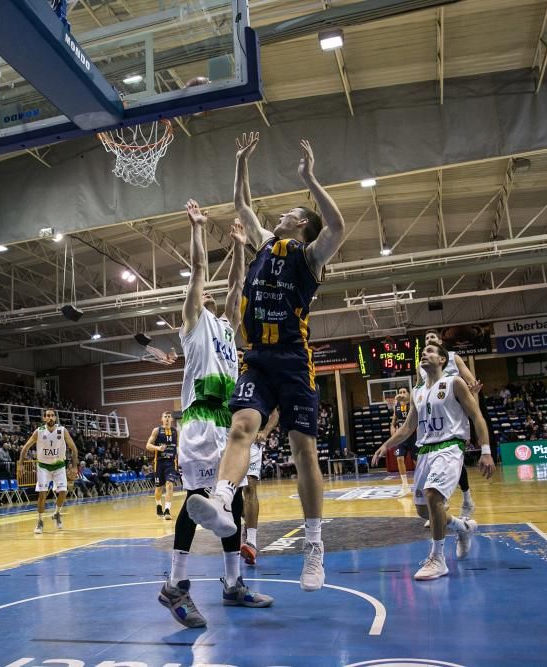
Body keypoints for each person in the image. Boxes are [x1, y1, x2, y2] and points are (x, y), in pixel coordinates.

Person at [185, 133, 346, 593]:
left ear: (300, 225)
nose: (279, 216)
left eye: (289, 214)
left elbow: (336, 225)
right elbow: (242, 203)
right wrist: (240, 163)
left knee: (302, 451)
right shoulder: (260, 245)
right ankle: (220, 499)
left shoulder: (310, 257)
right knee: (241, 427)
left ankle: (314, 546)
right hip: (257, 360)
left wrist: (310, 179)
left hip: (294, 362)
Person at [159, 212, 271, 629]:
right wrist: (196, 228)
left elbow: (236, 285)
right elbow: (201, 272)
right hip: (200, 421)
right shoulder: (193, 322)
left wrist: (241, 246)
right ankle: (176, 585)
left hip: (227, 422)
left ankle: (232, 584)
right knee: (197, 501)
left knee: (234, 501)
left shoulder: (227, 327)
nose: (206, 295)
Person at [372, 342, 496, 580]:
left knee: (433, 495)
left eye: (430, 351)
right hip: (425, 450)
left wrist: (486, 450)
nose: (424, 355)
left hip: (449, 446)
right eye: (422, 353)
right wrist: (386, 445)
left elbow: (477, 416)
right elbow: (408, 427)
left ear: (442, 360)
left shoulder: (454, 383)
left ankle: (438, 559)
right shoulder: (417, 391)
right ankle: (463, 528)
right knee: (424, 511)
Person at [420, 330, 479, 522]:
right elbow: (421, 391)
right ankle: (438, 503)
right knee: (431, 456)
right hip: (433, 417)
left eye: (433, 338)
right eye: (427, 339)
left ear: (441, 341)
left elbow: (471, 382)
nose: (429, 340)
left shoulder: (453, 358)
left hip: (455, 411)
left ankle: (466, 497)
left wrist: (472, 391)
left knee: (452, 452)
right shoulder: (422, 366)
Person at [18, 409, 79, 533]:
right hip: (43, 467)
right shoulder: (39, 432)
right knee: (42, 494)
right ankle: (40, 521)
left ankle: (56, 513)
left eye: (52, 415)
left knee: (63, 492)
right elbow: (25, 447)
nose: (50, 417)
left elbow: (74, 448)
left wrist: (74, 466)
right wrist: (20, 464)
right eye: (47, 416)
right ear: (44, 418)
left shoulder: (62, 431)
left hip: (59, 466)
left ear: (55, 418)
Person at [241, 409, 279, 566]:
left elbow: (275, 413)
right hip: (229, 438)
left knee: (250, 487)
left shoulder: (261, 385)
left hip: (253, 441)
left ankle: (251, 542)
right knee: (232, 494)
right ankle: (246, 520)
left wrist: (265, 431)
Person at [146, 411, 181, 520]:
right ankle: (158, 506)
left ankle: (167, 510)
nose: (167, 418)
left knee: (170, 484)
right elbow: (148, 445)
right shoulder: (157, 430)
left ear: (171, 419)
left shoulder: (176, 431)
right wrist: (157, 448)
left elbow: (179, 446)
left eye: (169, 417)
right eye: (165, 417)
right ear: (162, 419)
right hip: (159, 462)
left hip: (171, 462)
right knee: (159, 488)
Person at [390, 387, 418, 492]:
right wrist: (392, 428)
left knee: (416, 461)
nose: (402, 394)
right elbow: (393, 421)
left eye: (404, 392)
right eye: (400, 392)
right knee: (399, 459)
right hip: (401, 437)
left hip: (412, 436)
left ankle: (421, 482)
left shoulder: (412, 403)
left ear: (408, 394)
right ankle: (405, 486)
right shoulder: (396, 406)